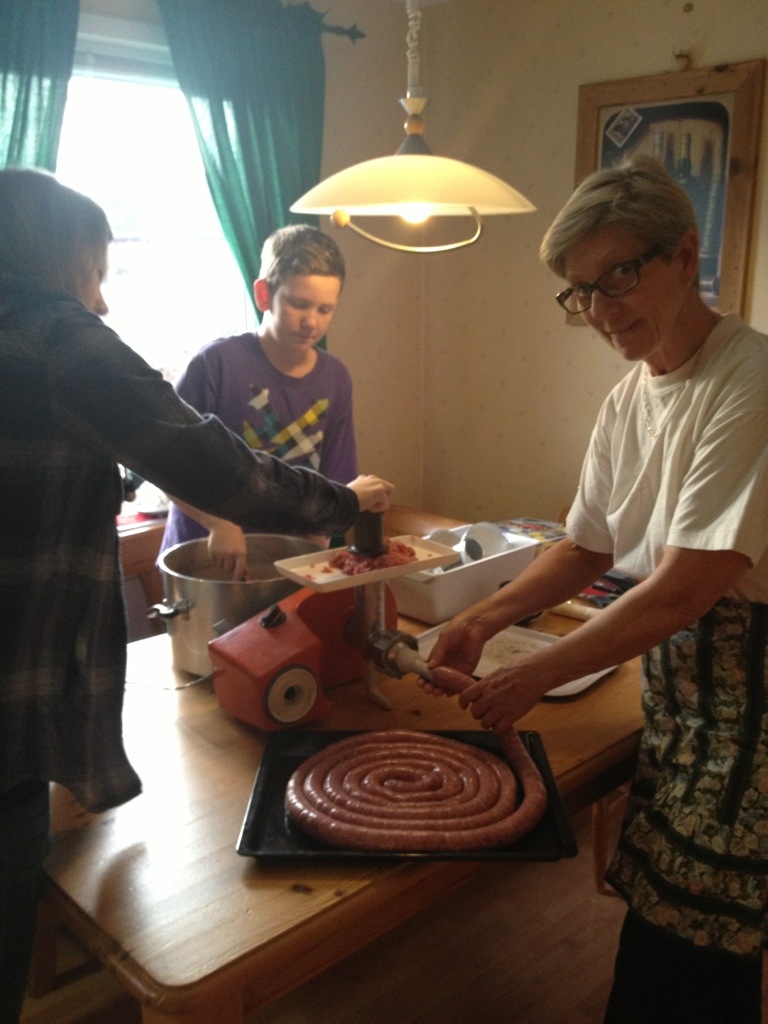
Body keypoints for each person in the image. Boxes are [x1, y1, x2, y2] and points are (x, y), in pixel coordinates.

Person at [0, 167, 393, 1024]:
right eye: (94, 273)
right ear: (53, 263)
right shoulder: (56, 336)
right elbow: (213, 466)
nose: (101, 301)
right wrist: (343, 504)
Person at [427, 155, 768, 1024]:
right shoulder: (630, 395)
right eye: (582, 291)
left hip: (753, 707)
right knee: (671, 921)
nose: (601, 311)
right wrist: (482, 617)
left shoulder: (751, 379)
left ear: (683, 255)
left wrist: (533, 672)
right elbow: (586, 545)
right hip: (677, 690)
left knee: (690, 953)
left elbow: (684, 589)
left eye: (618, 276)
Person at [160, 223, 356, 578]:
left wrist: (315, 547)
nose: (311, 322)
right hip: (205, 561)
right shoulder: (216, 364)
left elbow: (335, 483)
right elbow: (165, 459)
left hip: (290, 565)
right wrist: (218, 522)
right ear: (264, 295)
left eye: (325, 309)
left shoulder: (336, 378)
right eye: (299, 304)